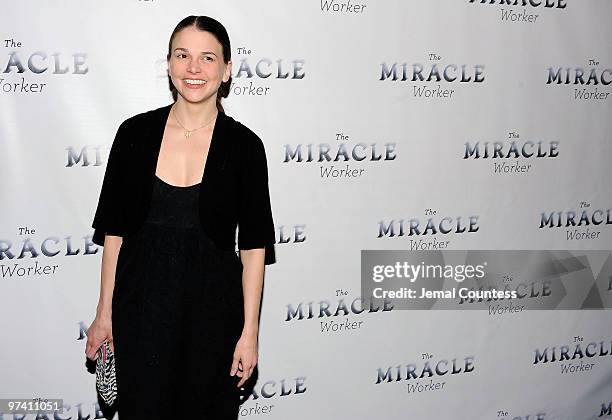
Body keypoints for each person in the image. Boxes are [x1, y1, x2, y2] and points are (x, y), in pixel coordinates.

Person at [84, 15, 276, 419]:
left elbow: (254, 248)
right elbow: (114, 234)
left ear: (226, 70)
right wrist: (105, 315)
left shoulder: (245, 147)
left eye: (207, 58)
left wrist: (249, 334)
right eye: (182, 55)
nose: (193, 68)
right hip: (140, 316)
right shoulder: (133, 134)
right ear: (168, 64)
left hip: (214, 322)